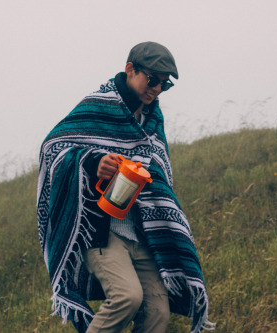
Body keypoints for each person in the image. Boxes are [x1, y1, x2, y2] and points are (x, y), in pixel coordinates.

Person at [37, 42, 213, 333]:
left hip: (143, 231)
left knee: (158, 311)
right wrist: (92, 162)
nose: (156, 89)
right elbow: (54, 149)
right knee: (127, 298)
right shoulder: (98, 105)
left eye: (164, 84)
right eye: (152, 79)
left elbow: (160, 173)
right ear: (130, 69)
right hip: (102, 229)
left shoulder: (153, 121)